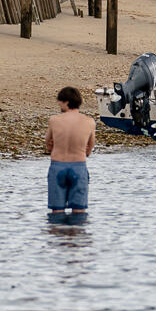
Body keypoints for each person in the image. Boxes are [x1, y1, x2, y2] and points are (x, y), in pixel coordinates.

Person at [45, 86, 96, 220]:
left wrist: (55, 151)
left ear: (66, 102)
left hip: (58, 164)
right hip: (78, 165)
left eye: (60, 101)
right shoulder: (89, 122)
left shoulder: (54, 120)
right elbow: (90, 146)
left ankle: (57, 237)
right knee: (79, 210)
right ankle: (77, 237)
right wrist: (83, 153)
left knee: (56, 211)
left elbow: (48, 142)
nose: (58, 104)